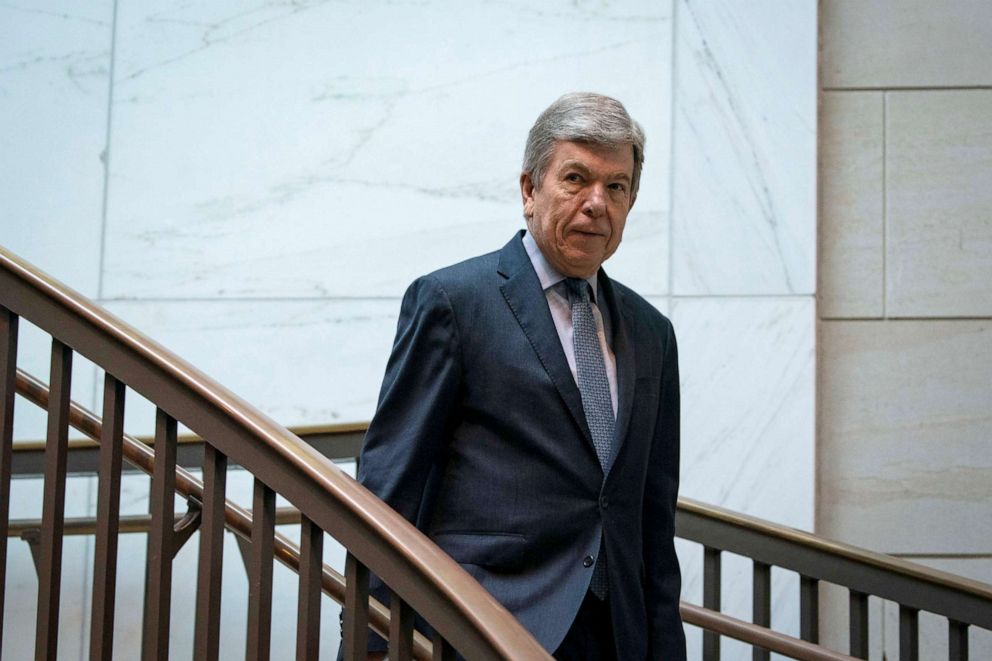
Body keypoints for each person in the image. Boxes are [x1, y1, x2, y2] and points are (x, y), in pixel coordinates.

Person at [355, 92, 685, 660]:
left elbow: (652, 520)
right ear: (530, 189)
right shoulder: (453, 302)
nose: (596, 203)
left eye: (617, 186)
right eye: (576, 178)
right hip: (488, 629)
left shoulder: (653, 333)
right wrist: (373, 641)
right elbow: (390, 489)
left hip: (615, 637)